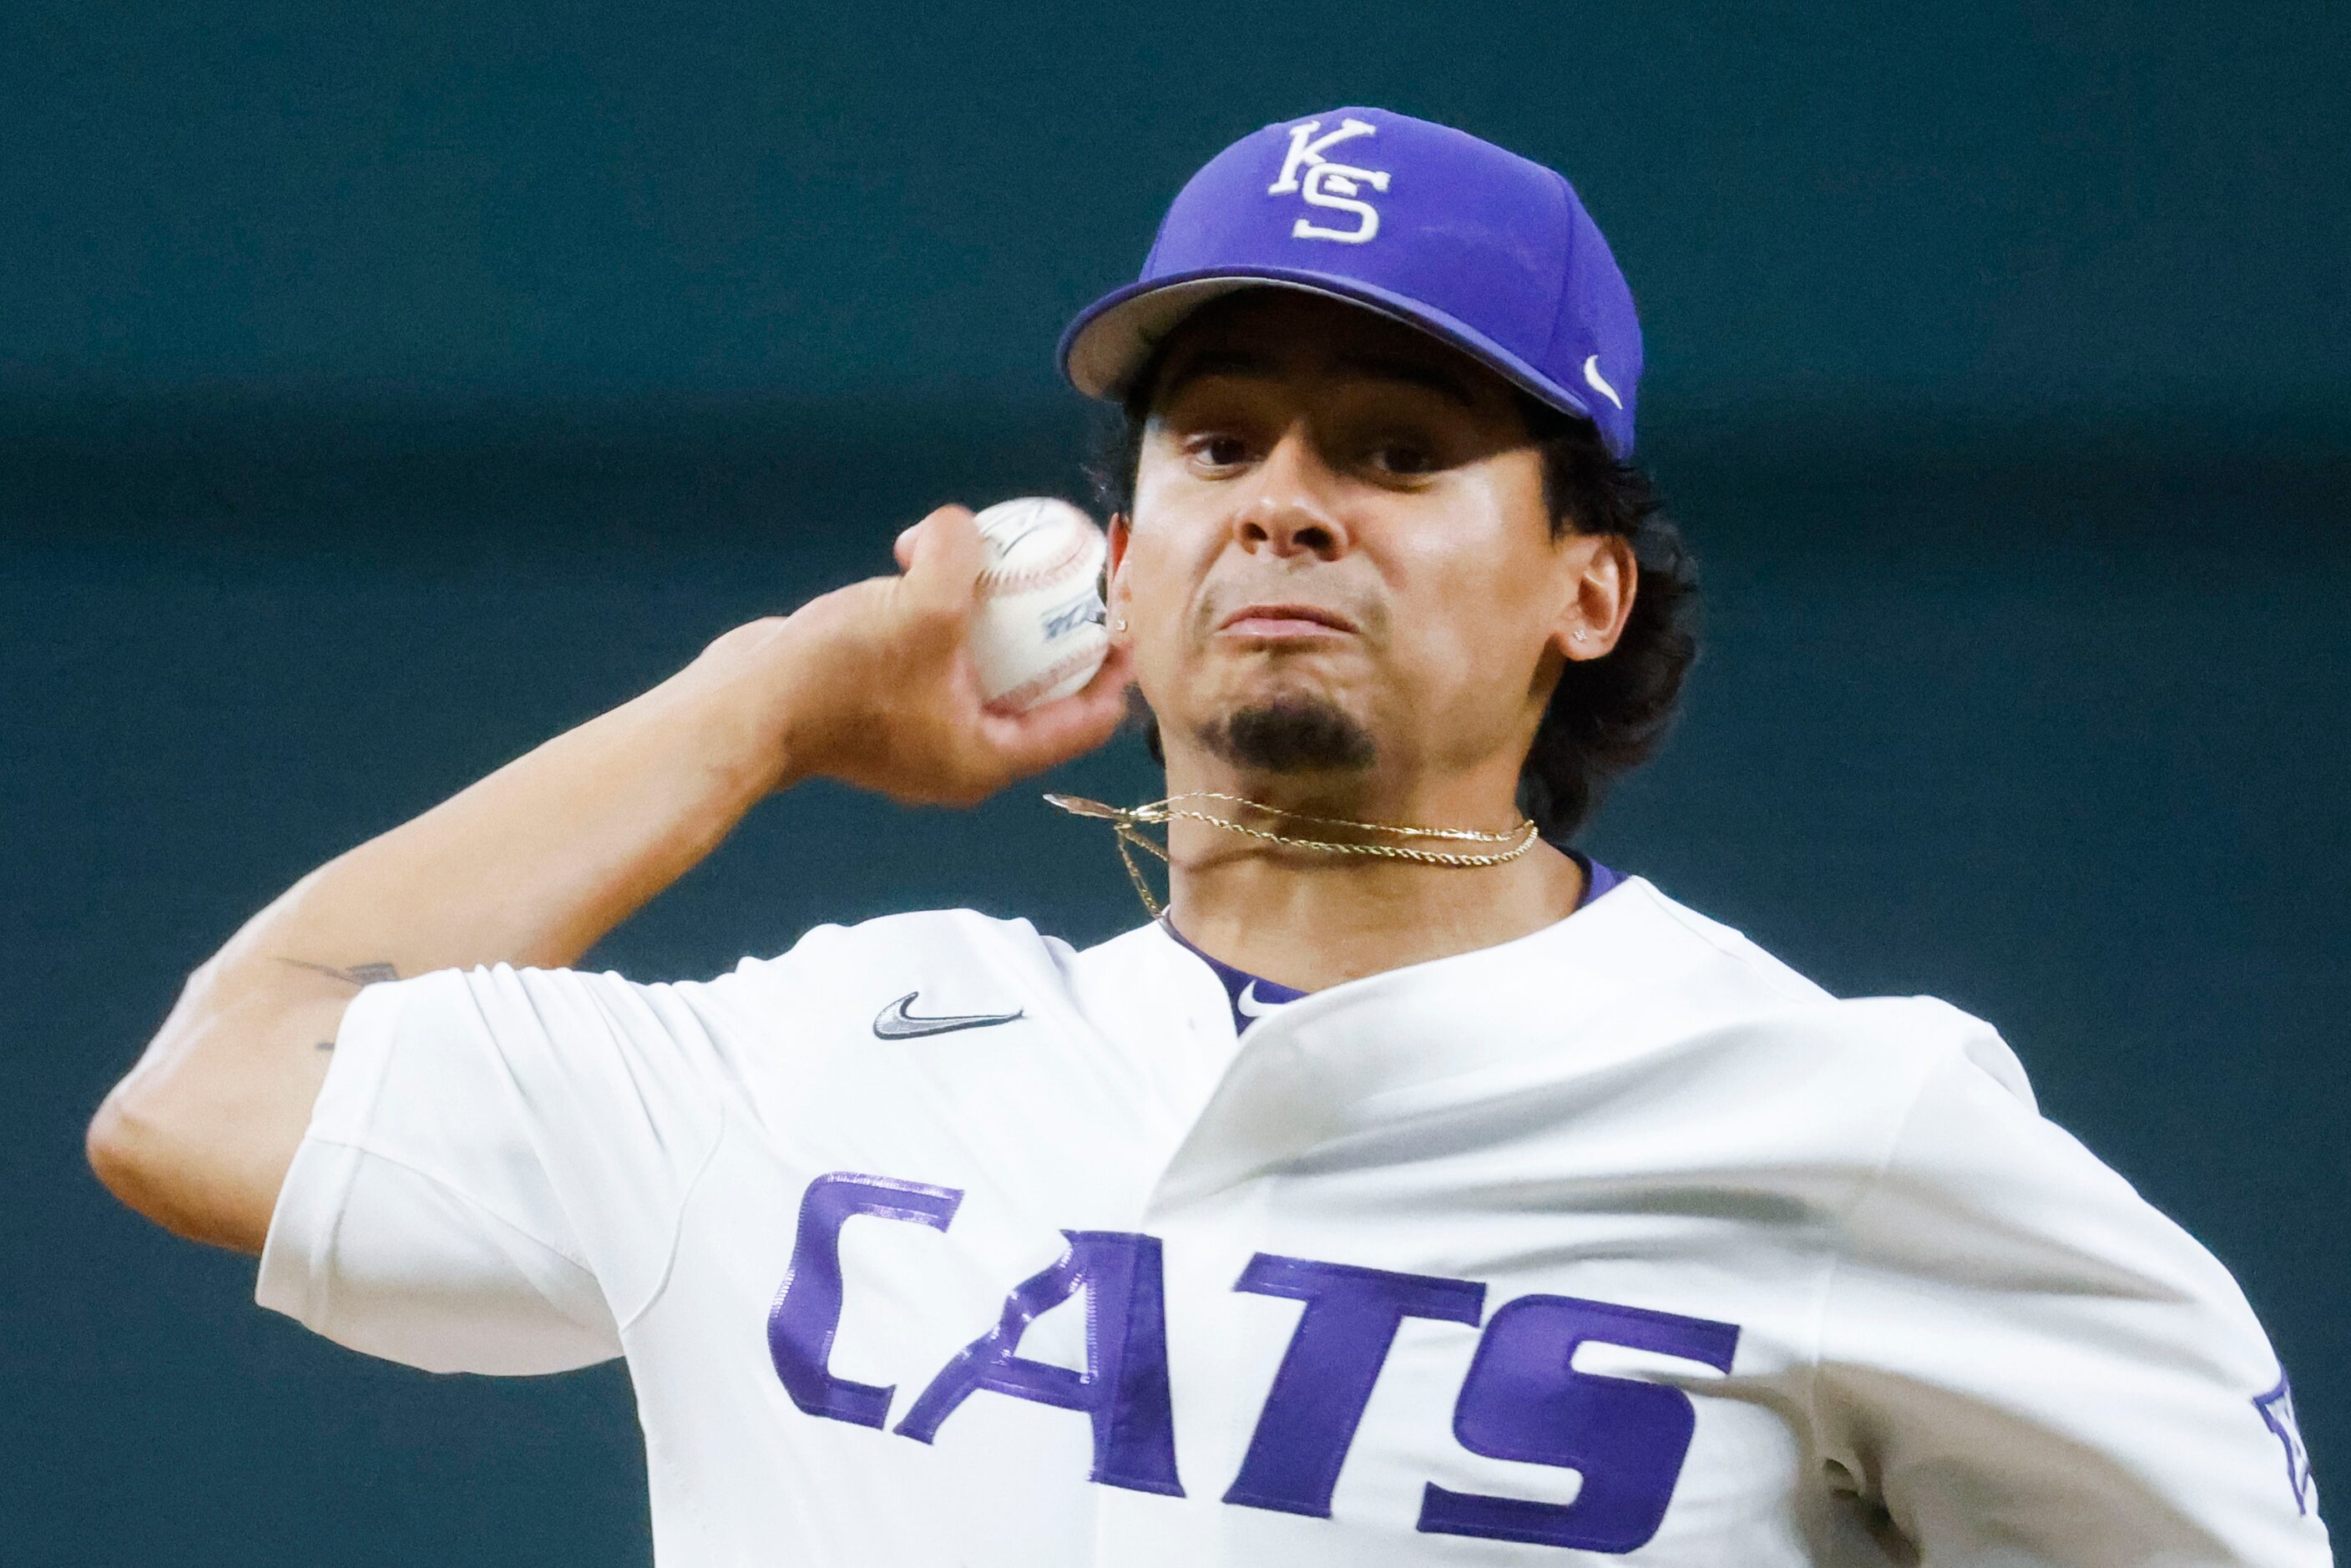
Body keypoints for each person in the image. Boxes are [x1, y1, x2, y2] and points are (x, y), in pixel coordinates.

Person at [87, 107, 2327, 1567]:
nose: (1282, 493)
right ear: (1131, 561)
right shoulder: (832, 1053)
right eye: (1217, 435)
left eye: (1396, 443)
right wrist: (758, 703)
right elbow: (210, 1094)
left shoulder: (1837, 1122)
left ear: (1588, 584)